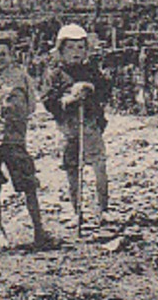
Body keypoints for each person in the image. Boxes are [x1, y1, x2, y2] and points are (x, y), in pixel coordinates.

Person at [0, 33, 50, 250]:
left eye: (2, 54)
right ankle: (0, 232)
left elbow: (31, 106)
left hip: (14, 140)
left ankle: (39, 231)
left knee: (28, 184)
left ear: (11, 56)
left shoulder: (21, 77)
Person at [42, 24, 111, 235]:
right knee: (72, 168)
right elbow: (47, 100)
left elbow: (105, 91)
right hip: (67, 126)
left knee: (98, 165)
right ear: (61, 51)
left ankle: (102, 208)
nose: (76, 52)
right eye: (71, 48)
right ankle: (76, 210)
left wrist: (90, 90)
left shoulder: (92, 71)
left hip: (90, 124)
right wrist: (68, 99)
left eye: (80, 47)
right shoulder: (55, 74)